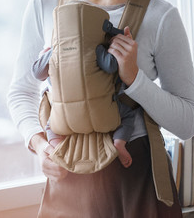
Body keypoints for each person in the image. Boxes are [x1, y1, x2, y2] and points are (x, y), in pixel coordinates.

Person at [7, 0, 194, 217]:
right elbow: (21, 91)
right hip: (68, 179)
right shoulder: (45, 3)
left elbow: (188, 123)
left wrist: (134, 79)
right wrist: (40, 146)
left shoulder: (160, 17)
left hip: (136, 179)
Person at [31, 16, 135, 168]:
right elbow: (112, 67)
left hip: (64, 114)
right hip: (100, 109)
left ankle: (57, 149)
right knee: (128, 115)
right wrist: (112, 47)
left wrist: (44, 56)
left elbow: (37, 73)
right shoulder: (96, 48)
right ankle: (119, 144)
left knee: (51, 127)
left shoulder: (56, 49)